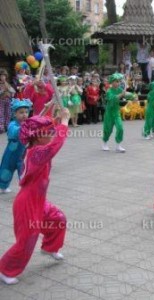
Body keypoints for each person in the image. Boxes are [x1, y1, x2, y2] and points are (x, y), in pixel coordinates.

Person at [0, 109, 70, 285]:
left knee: (58, 219)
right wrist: (65, 123)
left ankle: (50, 247)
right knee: (26, 240)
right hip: (27, 204)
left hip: (38, 201)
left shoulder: (37, 146)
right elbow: (55, 146)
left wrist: (57, 118)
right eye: (49, 132)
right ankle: (4, 269)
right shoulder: (37, 153)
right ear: (38, 136)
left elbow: (49, 135)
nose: (52, 133)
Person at [0, 99, 32, 193]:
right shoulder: (12, 124)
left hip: (22, 154)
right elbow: (13, 133)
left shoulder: (28, 123)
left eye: (26, 112)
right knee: (6, 170)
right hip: (11, 153)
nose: (24, 114)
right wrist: (23, 127)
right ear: (14, 114)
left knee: (23, 171)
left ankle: (25, 187)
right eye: (21, 112)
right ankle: (3, 186)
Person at [102, 73, 126, 153]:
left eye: (119, 81)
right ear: (112, 82)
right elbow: (112, 99)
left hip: (116, 113)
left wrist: (132, 96)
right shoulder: (109, 91)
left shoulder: (119, 89)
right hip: (109, 113)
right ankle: (105, 142)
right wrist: (120, 95)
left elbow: (125, 94)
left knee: (120, 128)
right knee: (108, 130)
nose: (118, 83)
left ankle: (118, 145)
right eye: (116, 81)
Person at [0, 69, 15, 133]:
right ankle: (1, 127)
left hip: (8, 100)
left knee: (8, 113)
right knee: (1, 113)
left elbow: (13, 91)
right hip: (1, 100)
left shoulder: (7, 83)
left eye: (4, 76)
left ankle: (7, 125)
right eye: (1, 76)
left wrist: (12, 92)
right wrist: (2, 91)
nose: (3, 77)